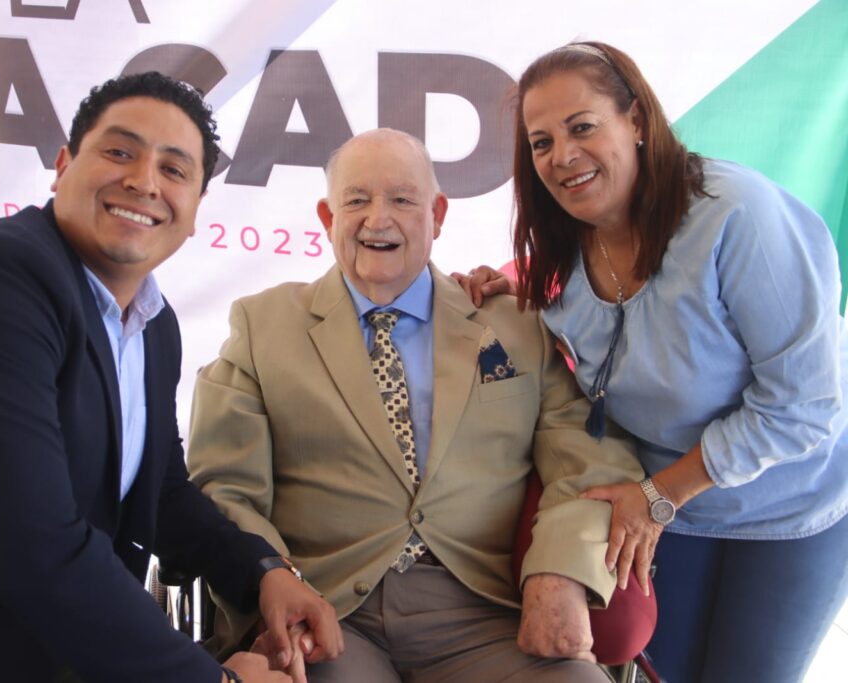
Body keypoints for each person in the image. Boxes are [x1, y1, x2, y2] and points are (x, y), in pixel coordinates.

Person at [0, 72, 342, 683]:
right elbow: (34, 552)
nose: (144, 181)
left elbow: (164, 492)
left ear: (197, 209)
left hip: (33, 648)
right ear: (63, 165)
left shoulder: (152, 322)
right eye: (119, 152)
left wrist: (263, 573)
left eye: (175, 171)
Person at [186, 128, 646, 682]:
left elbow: (591, 463)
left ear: (438, 214)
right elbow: (224, 487)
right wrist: (274, 582)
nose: (378, 219)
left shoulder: (518, 326)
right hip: (329, 614)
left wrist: (562, 573)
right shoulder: (262, 327)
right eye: (356, 200)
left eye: (403, 199)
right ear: (329, 219)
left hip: (484, 612)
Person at [457, 41, 848, 683]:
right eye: (541, 142)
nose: (562, 157)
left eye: (582, 127)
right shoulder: (562, 243)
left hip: (789, 504)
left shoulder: (737, 216)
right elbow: (577, 320)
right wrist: (500, 291)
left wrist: (660, 497)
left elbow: (804, 406)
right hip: (671, 507)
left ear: (636, 121)